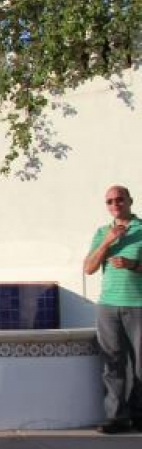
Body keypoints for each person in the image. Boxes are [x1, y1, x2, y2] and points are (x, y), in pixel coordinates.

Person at [83, 185, 142, 434]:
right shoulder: (101, 232)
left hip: (138, 304)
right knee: (112, 362)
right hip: (107, 305)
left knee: (140, 364)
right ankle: (115, 417)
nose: (115, 204)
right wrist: (107, 241)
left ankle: (139, 416)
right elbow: (88, 268)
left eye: (119, 199)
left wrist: (133, 264)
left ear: (130, 200)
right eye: (109, 201)